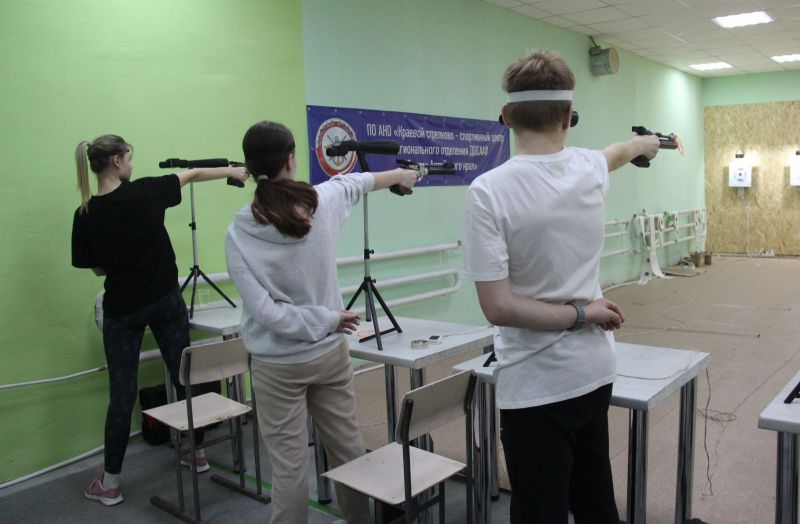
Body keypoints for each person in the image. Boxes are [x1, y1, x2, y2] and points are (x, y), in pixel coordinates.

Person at [461, 50, 660, 524]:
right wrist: (647, 144)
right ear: (569, 116)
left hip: (535, 387)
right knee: (595, 503)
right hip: (593, 372)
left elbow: (499, 307)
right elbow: (619, 152)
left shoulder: (487, 191)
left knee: (540, 511)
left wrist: (582, 314)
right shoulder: (588, 168)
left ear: (507, 117)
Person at [225, 121, 419, 524]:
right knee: (349, 452)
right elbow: (361, 181)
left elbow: (266, 313)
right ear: (291, 159)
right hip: (329, 353)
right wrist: (401, 176)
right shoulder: (322, 201)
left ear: (250, 167)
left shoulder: (238, 232)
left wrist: (324, 320)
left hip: (276, 364)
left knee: (289, 469)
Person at [71, 134, 247, 506]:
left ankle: (110, 484)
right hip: (167, 302)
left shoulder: (85, 214)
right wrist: (232, 171)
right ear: (117, 161)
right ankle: (197, 454)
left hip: (123, 311)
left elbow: (98, 269)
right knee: (185, 376)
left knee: (122, 395)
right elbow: (193, 174)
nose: (132, 164)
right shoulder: (147, 191)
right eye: (129, 157)